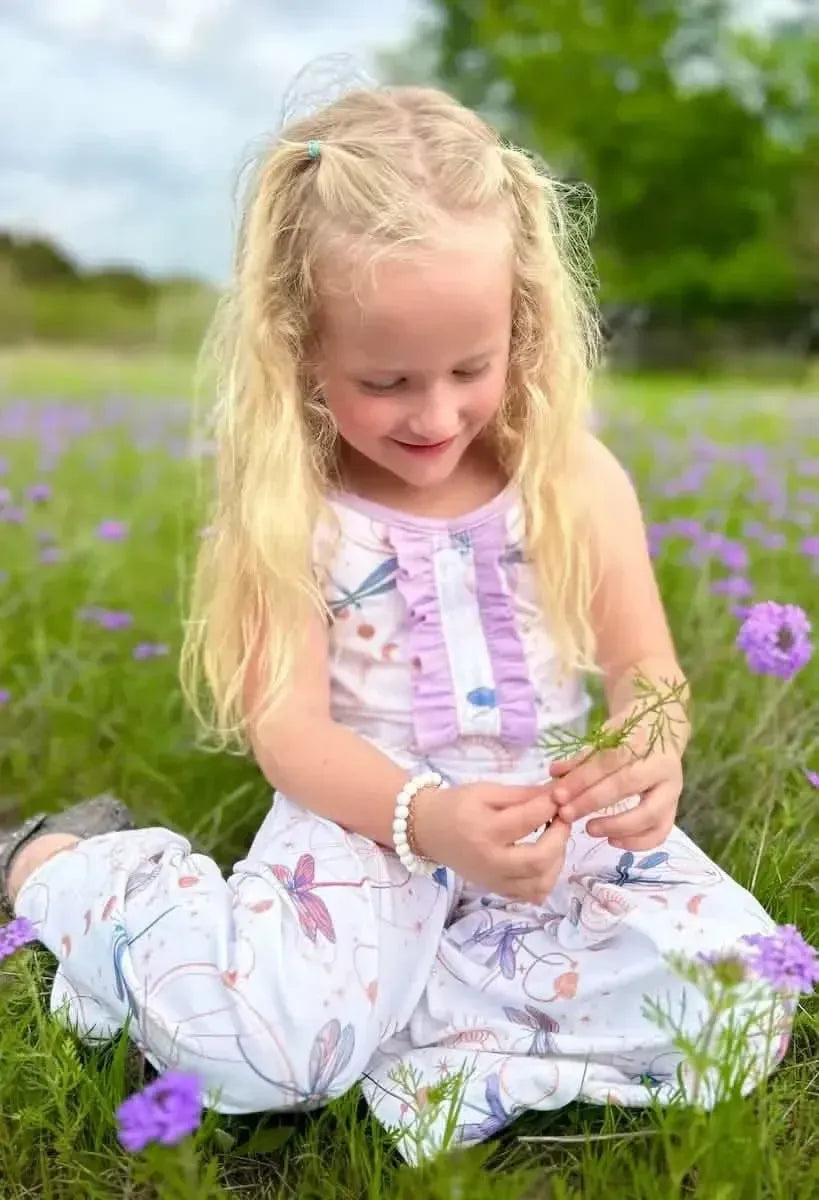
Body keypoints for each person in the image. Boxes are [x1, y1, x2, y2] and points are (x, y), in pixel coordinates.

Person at [0, 85, 788, 1161]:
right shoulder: (295, 507)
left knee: (745, 995)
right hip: (369, 821)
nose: (435, 416)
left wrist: (652, 742)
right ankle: (76, 869)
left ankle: (401, 1012)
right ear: (299, 348)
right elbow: (294, 740)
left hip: (547, 823)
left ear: (521, 325)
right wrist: (428, 822)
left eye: (472, 368)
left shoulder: (574, 479)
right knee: (261, 1059)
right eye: (385, 382)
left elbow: (644, 664)